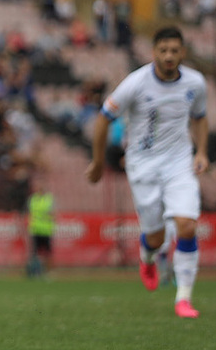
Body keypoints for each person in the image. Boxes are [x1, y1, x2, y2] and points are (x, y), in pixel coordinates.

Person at [86, 26, 209, 318]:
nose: (169, 56)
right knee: (155, 237)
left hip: (180, 163)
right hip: (143, 165)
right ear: (154, 52)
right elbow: (104, 118)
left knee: (187, 225)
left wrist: (201, 152)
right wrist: (99, 162)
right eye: (163, 50)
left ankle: (184, 299)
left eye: (174, 50)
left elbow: (200, 118)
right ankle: (148, 257)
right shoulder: (135, 83)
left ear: (183, 52)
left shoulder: (195, 83)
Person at [26, 174, 55, 278]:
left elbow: (52, 214)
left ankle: (47, 272)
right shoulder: (32, 199)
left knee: (47, 253)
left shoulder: (49, 199)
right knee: (35, 253)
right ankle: (36, 272)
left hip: (46, 230)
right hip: (35, 229)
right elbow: (30, 213)